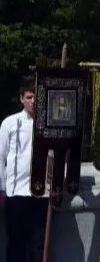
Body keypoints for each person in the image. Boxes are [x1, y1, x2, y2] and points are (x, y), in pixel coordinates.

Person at [0, 82, 47, 262]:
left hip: (41, 191)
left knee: (38, 243)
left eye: (37, 97)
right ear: (22, 99)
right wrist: (2, 188)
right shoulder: (10, 123)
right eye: (29, 97)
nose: (33, 101)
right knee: (17, 243)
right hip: (16, 191)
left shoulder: (48, 124)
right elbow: (1, 156)